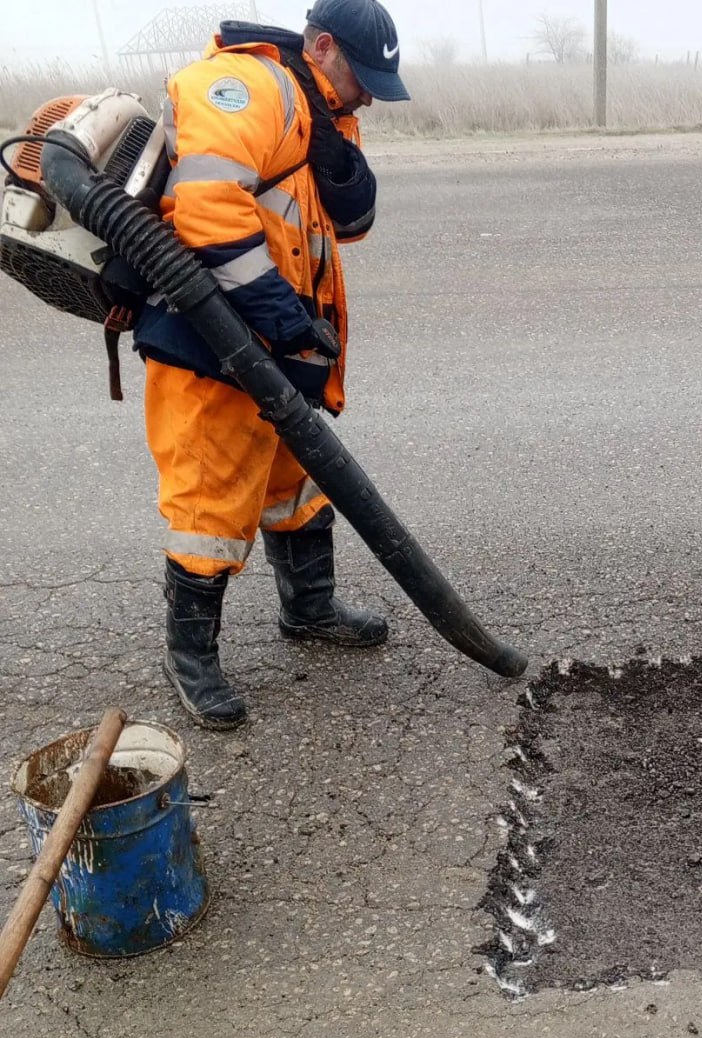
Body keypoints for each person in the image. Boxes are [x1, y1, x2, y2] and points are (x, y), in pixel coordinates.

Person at [133, 0, 410, 731]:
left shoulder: (317, 108)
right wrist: (281, 317)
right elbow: (208, 211)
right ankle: (190, 658)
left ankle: (309, 608)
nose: (370, 96)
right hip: (212, 340)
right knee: (210, 503)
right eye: (364, 78)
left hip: (273, 343)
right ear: (323, 47)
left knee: (295, 481)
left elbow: (344, 222)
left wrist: (342, 154)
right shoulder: (244, 87)